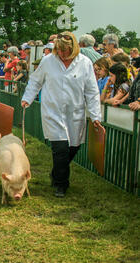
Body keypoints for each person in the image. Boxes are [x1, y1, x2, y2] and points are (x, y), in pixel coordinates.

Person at [21, 31, 103, 198]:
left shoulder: (85, 63)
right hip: (53, 111)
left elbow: (92, 91)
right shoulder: (48, 61)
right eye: (58, 50)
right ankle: (61, 184)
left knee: (73, 147)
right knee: (60, 149)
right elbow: (36, 81)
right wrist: (27, 98)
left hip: (75, 113)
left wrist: (95, 116)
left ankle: (56, 172)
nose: (61, 54)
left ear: (73, 48)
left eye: (65, 50)